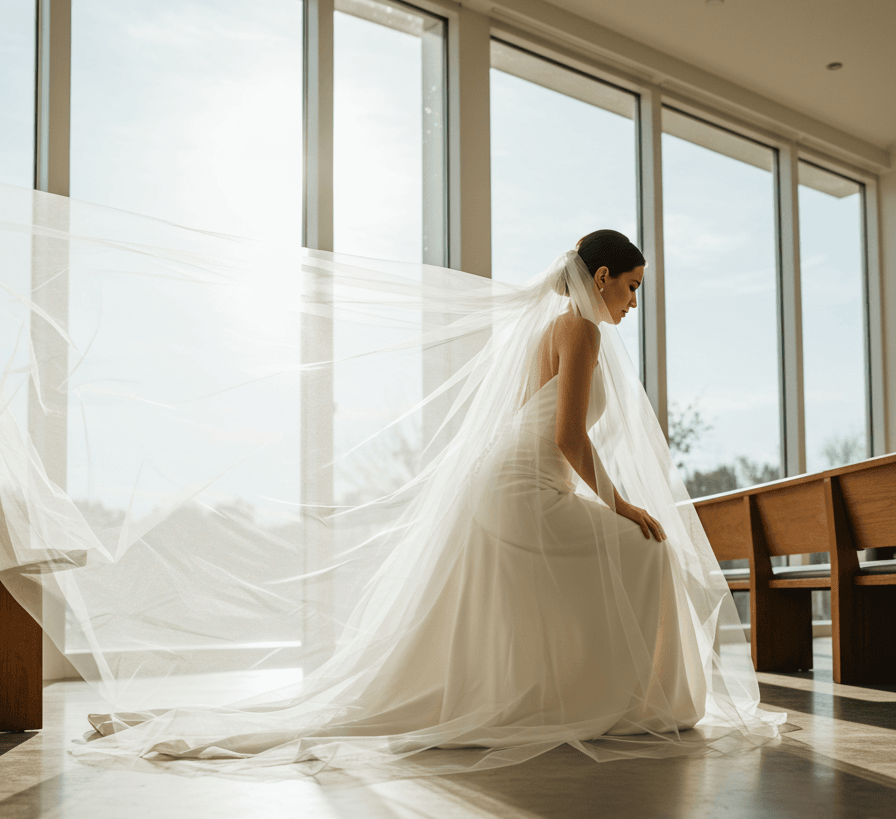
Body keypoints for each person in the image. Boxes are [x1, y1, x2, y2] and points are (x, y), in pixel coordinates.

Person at [74, 228, 783, 775]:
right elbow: (567, 437)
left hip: (514, 484)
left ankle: (584, 697)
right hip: (523, 489)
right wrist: (622, 504)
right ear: (601, 278)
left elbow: (537, 430)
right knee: (645, 552)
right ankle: (634, 703)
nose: (632, 302)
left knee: (624, 561)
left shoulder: (554, 328)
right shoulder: (581, 327)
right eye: (630, 286)